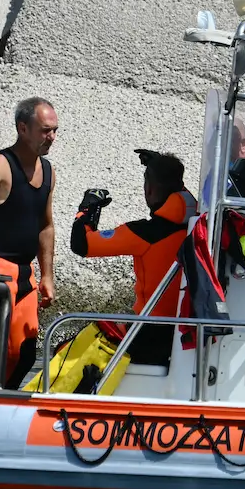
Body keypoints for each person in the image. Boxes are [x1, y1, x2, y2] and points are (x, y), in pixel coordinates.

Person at [0, 96, 58, 385]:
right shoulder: (2, 165)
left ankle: (3, 402)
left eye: (55, 130)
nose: (51, 137)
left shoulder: (49, 171)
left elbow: (46, 225)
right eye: (45, 130)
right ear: (23, 128)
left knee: (25, 352)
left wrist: (47, 275)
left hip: (24, 272)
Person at [70, 149, 191, 366]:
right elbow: (178, 189)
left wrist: (87, 209)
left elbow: (81, 244)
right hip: (185, 332)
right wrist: (159, 166)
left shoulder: (144, 234)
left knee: (78, 353)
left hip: (149, 335)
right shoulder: (198, 225)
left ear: (150, 189)